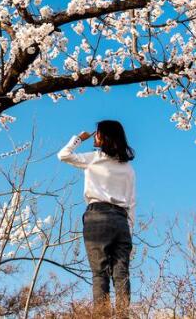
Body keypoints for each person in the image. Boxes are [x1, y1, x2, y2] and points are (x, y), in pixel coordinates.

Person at [57, 119, 136, 317]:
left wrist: (78, 139)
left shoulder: (94, 158)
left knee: (100, 273)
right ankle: (123, 315)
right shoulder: (128, 168)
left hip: (97, 217)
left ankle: (101, 315)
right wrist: (130, 231)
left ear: (105, 136)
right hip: (121, 221)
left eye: (98, 133)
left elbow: (63, 155)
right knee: (122, 274)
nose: (95, 135)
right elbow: (132, 202)